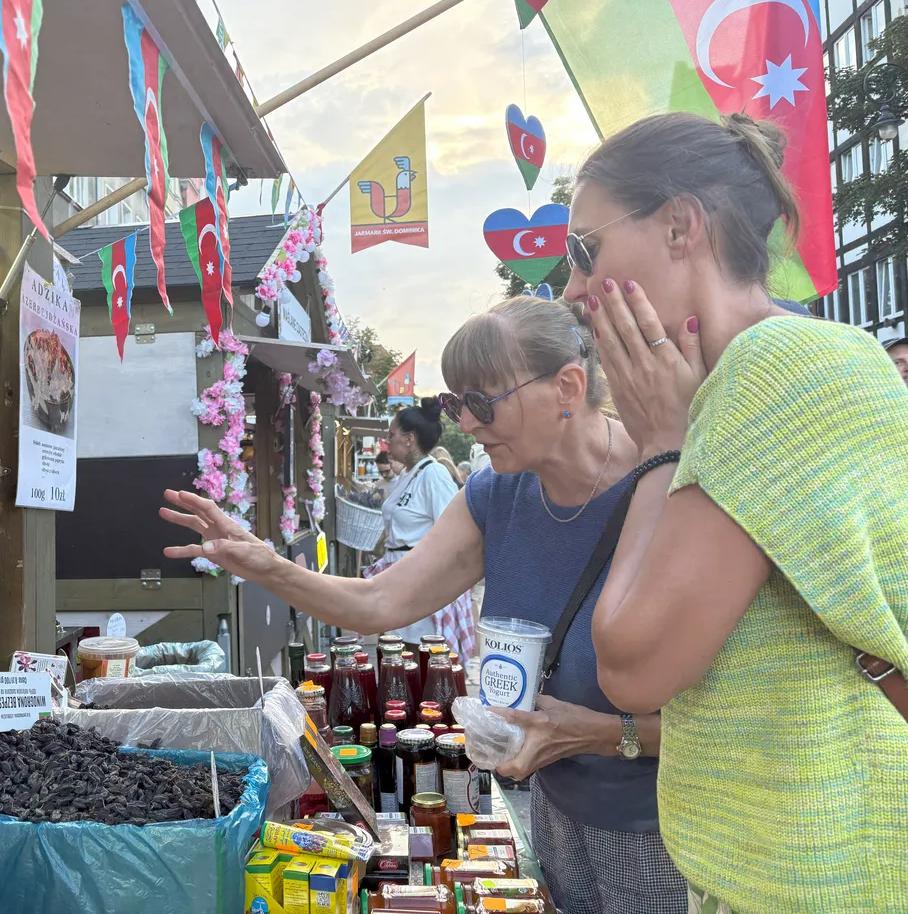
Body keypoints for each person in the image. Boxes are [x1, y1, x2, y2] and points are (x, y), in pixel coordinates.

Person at [159, 302, 687, 913]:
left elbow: (744, 711)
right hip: (555, 810)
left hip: (662, 828)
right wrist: (267, 564)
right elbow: (381, 601)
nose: (466, 422)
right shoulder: (497, 492)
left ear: (566, 387)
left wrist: (597, 736)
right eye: (453, 404)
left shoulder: (667, 484)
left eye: (482, 403)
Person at [564, 112, 908, 912]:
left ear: (681, 226)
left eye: (587, 249)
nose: (574, 287)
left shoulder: (775, 369)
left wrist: (659, 446)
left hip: (824, 880)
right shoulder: (785, 367)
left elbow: (633, 668)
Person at [366, 399, 473, 656]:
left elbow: (454, 536)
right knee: (395, 656)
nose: (387, 440)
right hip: (398, 576)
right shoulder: (408, 474)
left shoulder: (433, 475)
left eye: (391, 434)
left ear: (408, 439)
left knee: (414, 657)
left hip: (419, 581)